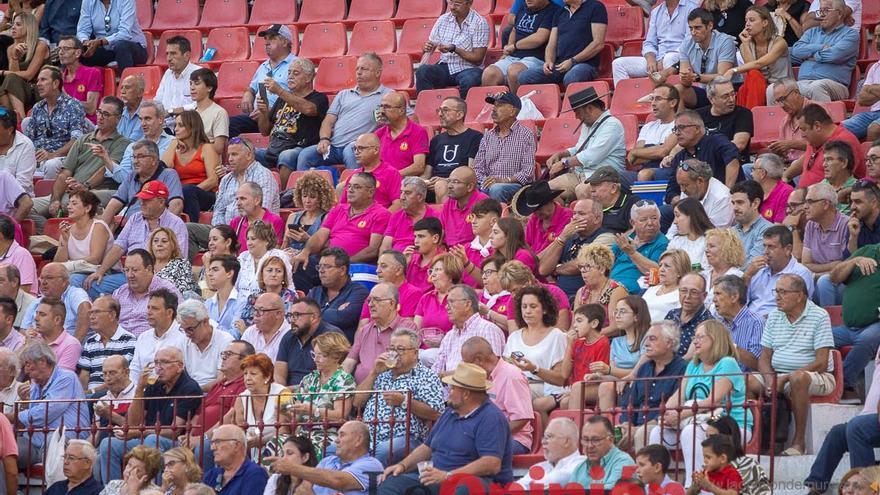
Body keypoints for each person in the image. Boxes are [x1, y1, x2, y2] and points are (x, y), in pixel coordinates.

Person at [379, 362, 513, 494]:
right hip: (439, 479)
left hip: (478, 483)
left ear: (466, 394)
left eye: (453, 388)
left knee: (467, 487)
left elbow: (491, 464)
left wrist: (448, 475)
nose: (448, 392)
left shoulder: (491, 418)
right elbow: (427, 447)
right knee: (390, 484)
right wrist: (402, 466)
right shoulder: (450, 412)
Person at [650, 320, 750, 485]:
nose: (695, 341)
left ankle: (696, 485)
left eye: (700, 337)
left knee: (691, 432)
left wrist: (680, 415)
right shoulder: (693, 366)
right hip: (698, 420)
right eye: (694, 337)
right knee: (657, 432)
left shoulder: (727, 363)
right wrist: (667, 413)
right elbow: (679, 396)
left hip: (731, 426)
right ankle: (659, 485)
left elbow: (712, 401)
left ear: (715, 339)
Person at [755, 274, 835, 456]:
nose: (777, 296)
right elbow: (764, 357)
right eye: (776, 291)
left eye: (783, 292)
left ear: (800, 296)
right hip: (779, 374)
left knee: (798, 378)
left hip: (817, 376)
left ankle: (799, 442)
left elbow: (822, 363)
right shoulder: (774, 316)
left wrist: (786, 377)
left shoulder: (819, 315)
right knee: (744, 381)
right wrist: (770, 380)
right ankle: (757, 440)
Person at [98, 346, 202, 483]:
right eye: (156, 363)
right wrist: (140, 388)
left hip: (175, 443)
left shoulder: (189, 388)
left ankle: (155, 491)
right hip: (147, 437)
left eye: (164, 362)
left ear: (179, 366)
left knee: (153, 440)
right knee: (108, 443)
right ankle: (113, 491)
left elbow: (174, 431)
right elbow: (133, 423)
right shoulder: (154, 384)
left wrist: (141, 433)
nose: (158, 367)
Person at [73, 180, 187, 300]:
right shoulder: (135, 218)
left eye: (147, 200)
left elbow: (179, 259)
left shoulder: (176, 224)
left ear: (161, 202)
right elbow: (118, 247)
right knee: (77, 281)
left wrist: (151, 278)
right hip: (128, 275)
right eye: (141, 199)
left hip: (157, 278)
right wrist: (100, 271)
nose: (142, 203)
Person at [33, 95, 131, 228]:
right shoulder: (83, 140)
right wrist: (55, 200)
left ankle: (55, 233)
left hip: (94, 192)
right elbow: (64, 173)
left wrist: (85, 186)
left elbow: (106, 170)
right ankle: (49, 234)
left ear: (118, 119)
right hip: (69, 192)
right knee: (25, 206)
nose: (100, 117)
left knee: (72, 205)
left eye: (106, 114)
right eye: (99, 112)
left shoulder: (123, 144)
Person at [354, 328, 444, 466]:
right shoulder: (382, 374)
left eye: (400, 349)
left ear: (415, 353)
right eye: (392, 349)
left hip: (405, 438)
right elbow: (357, 402)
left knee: (382, 451)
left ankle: (365, 484)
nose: (394, 354)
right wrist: (373, 373)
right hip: (369, 435)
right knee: (333, 449)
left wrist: (404, 402)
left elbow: (436, 413)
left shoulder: (426, 377)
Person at [291, 173, 390, 293]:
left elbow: (373, 249)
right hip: (327, 261)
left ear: (370, 192)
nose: (351, 190)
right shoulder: (338, 209)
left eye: (357, 187)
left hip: (353, 266)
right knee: (299, 264)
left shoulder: (381, 214)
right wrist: (305, 252)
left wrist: (343, 262)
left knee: (329, 270)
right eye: (349, 186)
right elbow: (320, 236)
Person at [297, 53, 391, 171]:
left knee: (351, 152)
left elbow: (410, 120)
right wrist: (324, 139)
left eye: (364, 69)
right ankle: (300, 189)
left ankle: (355, 187)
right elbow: (328, 121)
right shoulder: (344, 94)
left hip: (359, 147)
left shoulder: (388, 95)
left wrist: (389, 120)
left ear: (377, 72)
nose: (359, 72)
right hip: (333, 146)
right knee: (305, 155)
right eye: (357, 68)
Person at [603, 322, 687, 452]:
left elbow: (675, 408)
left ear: (669, 343)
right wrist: (627, 424)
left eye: (652, 339)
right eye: (646, 339)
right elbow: (630, 404)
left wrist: (637, 428)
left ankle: (641, 472)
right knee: (609, 435)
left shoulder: (682, 369)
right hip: (637, 425)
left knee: (641, 433)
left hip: (664, 426)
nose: (646, 343)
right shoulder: (644, 368)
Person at [805, 346, 880, 493]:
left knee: (857, 428)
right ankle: (816, 487)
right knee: (838, 433)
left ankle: (866, 488)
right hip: (869, 417)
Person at [11, 341, 90, 467]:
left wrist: (9, 417)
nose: (25, 370)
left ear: (42, 361)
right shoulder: (36, 383)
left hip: (67, 443)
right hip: (34, 441)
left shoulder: (66, 378)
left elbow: (44, 413)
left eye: (27, 364)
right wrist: (24, 403)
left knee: (53, 440)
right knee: (5, 448)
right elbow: (30, 419)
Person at [176, 340, 252, 470]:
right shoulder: (218, 385)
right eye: (223, 354)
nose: (223, 358)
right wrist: (190, 436)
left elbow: (230, 418)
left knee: (203, 448)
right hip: (198, 438)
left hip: (221, 439)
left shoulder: (243, 385)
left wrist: (201, 438)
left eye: (229, 354)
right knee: (160, 446)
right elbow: (199, 413)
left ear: (244, 361)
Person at [254, 57, 328, 189]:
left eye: (296, 73)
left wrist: (279, 91)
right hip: (274, 147)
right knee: (247, 152)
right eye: (289, 73)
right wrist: (263, 113)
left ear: (308, 78)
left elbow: (308, 109)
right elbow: (264, 131)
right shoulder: (282, 99)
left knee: (286, 155)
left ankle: (283, 196)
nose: (290, 77)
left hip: (299, 147)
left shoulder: (319, 98)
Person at [547, 88, 625, 202]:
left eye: (578, 112)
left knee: (582, 190)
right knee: (547, 190)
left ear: (589, 108)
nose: (576, 117)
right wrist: (561, 154)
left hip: (604, 176)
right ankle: (564, 218)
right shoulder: (587, 124)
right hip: (581, 174)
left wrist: (564, 163)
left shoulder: (613, 125)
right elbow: (580, 148)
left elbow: (592, 155)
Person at [462, 336, 534, 455]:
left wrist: (488, 435)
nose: (466, 367)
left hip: (514, 439)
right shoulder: (481, 375)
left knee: (469, 450)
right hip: (485, 435)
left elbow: (521, 419)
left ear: (479, 360)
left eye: (467, 363)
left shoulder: (512, 375)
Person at [286, 332, 355, 455]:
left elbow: (340, 416)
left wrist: (314, 411)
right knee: (275, 444)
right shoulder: (309, 379)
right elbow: (296, 416)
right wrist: (285, 410)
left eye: (321, 355)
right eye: (314, 354)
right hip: (303, 434)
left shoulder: (344, 380)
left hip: (328, 435)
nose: (316, 359)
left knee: (311, 450)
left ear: (336, 357)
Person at [267, 421, 382, 495]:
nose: (336, 440)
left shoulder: (371, 464)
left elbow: (338, 480)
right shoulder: (328, 461)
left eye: (342, 435)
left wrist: (291, 468)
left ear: (358, 440)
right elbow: (302, 490)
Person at [505, 285, 568, 416]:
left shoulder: (556, 336)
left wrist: (534, 368)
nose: (527, 311)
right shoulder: (514, 337)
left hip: (545, 387)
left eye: (533, 306)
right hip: (517, 384)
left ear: (544, 309)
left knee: (511, 392)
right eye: (524, 306)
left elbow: (560, 378)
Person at [828, 239, 880, 396]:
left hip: (875, 325)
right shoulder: (866, 250)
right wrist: (855, 261)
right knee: (820, 336)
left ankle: (842, 385)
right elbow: (834, 277)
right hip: (848, 327)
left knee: (867, 339)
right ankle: (822, 381)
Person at [516, 0, 608, 88]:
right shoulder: (560, 12)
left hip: (585, 64)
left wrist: (573, 61)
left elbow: (598, 44)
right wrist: (549, 61)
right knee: (524, 76)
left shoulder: (596, 7)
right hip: (560, 65)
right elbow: (552, 44)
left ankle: (575, 104)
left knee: (572, 77)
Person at [228, 24, 297, 138]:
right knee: (228, 124)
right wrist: (247, 94)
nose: (267, 43)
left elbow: (301, 98)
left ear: (285, 42)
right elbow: (252, 88)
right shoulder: (263, 66)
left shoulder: (296, 65)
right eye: (266, 39)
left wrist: (269, 111)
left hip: (282, 118)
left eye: (272, 38)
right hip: (257, 118)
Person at [537, 198, 613, 299]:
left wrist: (555, 270)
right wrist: (562, 238)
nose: (575, 218)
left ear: (597, 218)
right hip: (559, 296)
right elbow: (541, 267)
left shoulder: (606, 236)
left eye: (581, 214)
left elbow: (583, 263)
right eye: (574, 214)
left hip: (586, 297)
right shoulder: (568, 237)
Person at [611, 0, 698, 86]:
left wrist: (662, 59)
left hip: (680, 58)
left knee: (669, 58)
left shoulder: (692, 8)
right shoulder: (656, 11)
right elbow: (649, 42)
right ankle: (625, 99)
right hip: (657, 58)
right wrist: (651, 59)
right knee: (618, 64)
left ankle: (669, 97)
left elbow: (690, 41)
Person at [101, 139, 184, 230]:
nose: (135, 161)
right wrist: (100, 229)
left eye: (140, 157)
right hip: (129, 229)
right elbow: (113, 205)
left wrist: (160, 232)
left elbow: (176, 205)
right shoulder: (131, 176)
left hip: (156, 229)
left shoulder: (169, 175)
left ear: (153, 159)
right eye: (134, 157)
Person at [344, 283, 418, 383]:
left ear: (392, 304)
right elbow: (349, 362)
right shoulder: (365, 330)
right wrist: (334, 385)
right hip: (361, 390)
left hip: (390, 389)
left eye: (377, 300)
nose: (370, 304)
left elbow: (402, 363)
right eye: (369, 300)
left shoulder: (407, 327)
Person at [649, 111, 740, 190]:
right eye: (675, 129)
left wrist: (727, 193)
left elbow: (733, 161)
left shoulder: (716, 141)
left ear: (697, 129)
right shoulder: (680, 157)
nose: (677, 133)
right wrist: (680, 201)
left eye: (682, 127)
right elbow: (672, 191)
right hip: (693, 205)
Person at [415, 0, 489, 98]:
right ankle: (426, 107)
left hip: (469, 68)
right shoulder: (443, 19)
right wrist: (426, 47)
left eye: (457, 4)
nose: (452, 7)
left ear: (469, 3)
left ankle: (461, 109)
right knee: (423, 71)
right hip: (445, 66)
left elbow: (478, 58)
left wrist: (455, 49)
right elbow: (430, 45)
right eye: (450, 2)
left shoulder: (479, 22)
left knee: (470, 79)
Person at [481, 0, 560, 91]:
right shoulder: (523, 7)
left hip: (536, 58)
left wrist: (514, 46)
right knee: (489, 73)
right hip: (514, 56)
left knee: (514, 72)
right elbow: (515, 30)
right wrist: (508, 51)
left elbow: (540, 37)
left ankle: (518, 104)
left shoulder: (553, 11)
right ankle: (497, 105)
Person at [472, 92, 536, 203]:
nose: (494, 109)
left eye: (499, 105)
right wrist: (484, 182)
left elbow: (528, 172)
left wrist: (503, 180)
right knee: (465, 188)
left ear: (512, 111)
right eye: (494, 105)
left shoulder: (526, 135)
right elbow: (477, 167)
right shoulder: (488, 136)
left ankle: (496, 219)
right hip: (488, 185)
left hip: (514, 185)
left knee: (497, 189)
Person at [790, 0, 858, 102]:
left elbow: (833, 55)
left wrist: (810, 55)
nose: (821, 14)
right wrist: (820, 47)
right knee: (773, 90)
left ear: (839, 14)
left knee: (816, 87)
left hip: (834, 84)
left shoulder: (851, 35)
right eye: (820, 11)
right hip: (803, 82)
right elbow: (796, 51)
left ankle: (825, 118)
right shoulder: (811, 32)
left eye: (826, 10)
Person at [25, 66, 87, 180]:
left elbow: (77, 140)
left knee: (51, 164)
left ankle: (48, 197)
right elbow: (28, 139)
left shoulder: (73, 106)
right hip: (39, 157)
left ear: (55, 83)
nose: (38, 84)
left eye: (43, 80)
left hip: (62, 157)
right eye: (38, 80)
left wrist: (53, 155)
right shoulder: (37, 107)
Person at [726, 5, 793, 107]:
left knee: (752, 80)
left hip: (781, 84)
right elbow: (752, 69)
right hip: (758, 87)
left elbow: (759, 64)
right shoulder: (745, 45)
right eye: (746, 21)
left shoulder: (779, 42)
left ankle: (749, 115)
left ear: (765, 23)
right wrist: (746, 44)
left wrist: (733, 70)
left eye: (752, 20)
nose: (747, 24)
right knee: (751, 78)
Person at [432, 284, 506, 374]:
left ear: (467, 304)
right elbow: (436, 370)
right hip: (449, 387)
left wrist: (453, 375)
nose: (446, 307)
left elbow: (491, 371)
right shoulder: (449, 336)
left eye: (451, 302)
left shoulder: (488, 330)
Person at [224, 353, 287, 458]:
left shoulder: (282, 394)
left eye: (253, 374)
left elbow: (284, 431)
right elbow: (239, 431)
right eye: (245, 374)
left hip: (278, 449)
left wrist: (260, 441)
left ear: (267, 376)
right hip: (251, 452)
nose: (247, 378)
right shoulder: (241, 399)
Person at [100, 100, 175, 187]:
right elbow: (123, 178)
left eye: (147, 119)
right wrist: (106, 159)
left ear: (160, 120)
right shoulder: (132, 147)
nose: (142, 124)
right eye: (140, 119)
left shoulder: (172, 142)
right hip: (133, 192)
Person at [162, 110, 220, 222]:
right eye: (175, 125)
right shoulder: (175, 148)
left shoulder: (207, 148)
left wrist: (186, 192)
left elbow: (213, 180)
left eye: (180, 125)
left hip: (204, 193)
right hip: (180, 194)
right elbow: (166, 167)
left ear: (192, 127)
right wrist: (174, 143)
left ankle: (191, 228)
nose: (175, 129)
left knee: (188, 191)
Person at [672, 9, 737, 109]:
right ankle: (681, 122)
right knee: (677, 90)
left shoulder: (725, 41)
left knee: (721, 89)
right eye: (691, 28)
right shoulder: (687, 43)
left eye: (697, 28)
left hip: (727, 90)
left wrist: (697, 77)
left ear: (710, 26)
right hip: (706, 91)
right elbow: (686, 81)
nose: (693, 32)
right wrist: (686, 77)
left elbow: (723, 78)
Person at [745, 225, 814, 316]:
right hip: (748, 321)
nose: (765, 252)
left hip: (776, 325)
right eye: (764, 246)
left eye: (771, 247)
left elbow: (797, 309)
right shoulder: (757, 269)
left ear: (787, 249)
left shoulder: (800, 273)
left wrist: (760, 320)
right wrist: (747, 276)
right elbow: (739, 302)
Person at [113, 249, 184, 337]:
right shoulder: (120, 292)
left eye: (135, 270)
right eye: (127, 270)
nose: (129, 275)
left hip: (151, 346)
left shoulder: (167, 291)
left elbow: (181, 323)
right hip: (118, 346)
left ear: (149, 269)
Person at [274, 297, 343, 386]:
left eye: (297, 315)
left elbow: (330, 377)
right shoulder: (289, 336)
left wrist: (293, 391)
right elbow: (279, 375)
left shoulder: (331, 336)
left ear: (313, 317)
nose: (292, 320)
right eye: (290, 315)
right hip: (288, 394)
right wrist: (281, 393)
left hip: (318, 394)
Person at [425, 96, 482, 203]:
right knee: (408, 186)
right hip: (434, 183)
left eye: (445, 110)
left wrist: (446, 180)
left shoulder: (474, 137)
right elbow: (427, 173)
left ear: (459, 115)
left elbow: (471, 173)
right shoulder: (436, 140)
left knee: (441, 185)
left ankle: (445, 218)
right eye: (440, 110)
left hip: (457, 183)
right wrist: (421, 181)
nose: (440, 114)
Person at [305, 248, 368, 343]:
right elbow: (303, 318)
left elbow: (342, 318)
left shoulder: (359, 292)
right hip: (312, 348)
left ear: (342, 270)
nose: (321, 271)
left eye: (327, 266)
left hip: (340, 351)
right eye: (319, 267)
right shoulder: (314, 292)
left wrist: (313, 314)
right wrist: (334, 312)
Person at [803, 182, 850, 306]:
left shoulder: (846, 225)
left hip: (843, 283)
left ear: (825, 204)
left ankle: (829, 323)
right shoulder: (811, 225)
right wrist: (832, 265)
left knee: (824, 282)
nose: (805, 207)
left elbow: (845, 266)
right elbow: (806, 263)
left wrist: (816, 275)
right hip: (817, 279)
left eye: (810, 202)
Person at [77, 296, 135, 394]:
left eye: (97, 312)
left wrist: (91, 392)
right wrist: (82, 394)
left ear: (112, 315)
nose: (91, 317)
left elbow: (120, 378)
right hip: (89, 396)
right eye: (91, 312)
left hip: (115, 394)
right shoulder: (90, 341)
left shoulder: (129, 341)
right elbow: (84, 376)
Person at [609, 200, 669, 294]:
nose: (650, 223)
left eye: (654, 218)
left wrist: (632, 253)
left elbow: (656, 271)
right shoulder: (625, 239)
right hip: (611, 288)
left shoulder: (662, 243)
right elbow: (605, 264)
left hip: (634, 295)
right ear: (633, 223)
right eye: (644, 219)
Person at [20, 262, 90, 339]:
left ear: (64, 281)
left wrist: (75, 344)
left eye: (49, 278)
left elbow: (85, 313)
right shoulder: (36, 303)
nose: (43, 282)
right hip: (42, 346)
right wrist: (28, 333)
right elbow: (23, 330)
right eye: (42, 278)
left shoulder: (75, 294)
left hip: (69, 346)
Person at [75, 0, 148, 73]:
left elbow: (125, 33)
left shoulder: (126, 1)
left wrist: (101, 42)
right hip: (106, 49)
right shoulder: (88, 1)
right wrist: (86, 42)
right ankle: (83, 82)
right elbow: (82, 30)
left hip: (132, 47)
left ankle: (125, 82)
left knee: (122, 46)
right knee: (76, 51)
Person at [128, 288, 185, 381]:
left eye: (155, 308)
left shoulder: (184, 337)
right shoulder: (143, 337)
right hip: (142, 390)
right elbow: (134, 370)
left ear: (169, 313)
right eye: (148, 307)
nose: (149, 312)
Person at [0, 13, 49, 120]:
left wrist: (2, 72)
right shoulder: (10, 49)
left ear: (28, 27)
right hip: (22, 89)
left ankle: (20, 120)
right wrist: (14, 57)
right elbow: (15, 76)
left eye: (18, 24)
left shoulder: (41, 46)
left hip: (39, 88)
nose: (13, 27)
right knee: (8, 82)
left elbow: (29, 75)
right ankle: (10, 120)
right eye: (13, 24)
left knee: (9, 78)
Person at [705, 415, 771, 495]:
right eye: (706, 437)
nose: (707, 441)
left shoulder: (748, 465)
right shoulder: (710, 466)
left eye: (712, 437)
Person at [667, 160, 734, 238]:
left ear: (700, 181)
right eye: (680, 185)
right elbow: (676, 225)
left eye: (685, 185)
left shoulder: (722, 197)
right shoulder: (687, 190)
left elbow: (716, 235)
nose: (682, 190)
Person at [712, 275, 764, 373]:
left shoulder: (757, 322)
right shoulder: (716, 321)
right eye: (714, 294)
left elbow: (758, 363)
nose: (714, 299)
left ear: (734, 297)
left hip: (745, 380)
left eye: (718, 294)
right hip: (716, 377)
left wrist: (731, 346)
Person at [337, 133, 403, 210]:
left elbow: (398, 205)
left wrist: (381, 220)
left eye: (361, 148)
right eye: (355, 148)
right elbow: (343, 205)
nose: (356, 152)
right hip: (354, 219)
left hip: (379, 219)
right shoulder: (354, 175)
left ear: (375, 150)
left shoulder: (391, 173)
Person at [697, 77, 754, 165]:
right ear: (711, 99)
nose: (731, 99)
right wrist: (671, 156)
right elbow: (682, 142)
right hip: (701, 165)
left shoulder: (743, 114)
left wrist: (707, 152)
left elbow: (739, 145)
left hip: (731, 163)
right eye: (725, 96)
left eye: (733, 94)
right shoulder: (698, 115)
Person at [570, 416, 637, 490]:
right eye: (586, 440)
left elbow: (610, 492)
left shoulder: (624, 462)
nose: (589, 446)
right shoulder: (580, 468)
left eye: (596, 440)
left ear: (611, 440)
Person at [515, 417, 586, 487]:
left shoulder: (582, 464)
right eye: (544, 437)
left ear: (566, 441)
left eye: (549, 437)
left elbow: (559, 479)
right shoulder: (539, 467)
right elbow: (517, 487)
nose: (543, 442)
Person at [180, 299, 234, 390]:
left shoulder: (226, 341)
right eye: (183, 329)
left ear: (205, 321)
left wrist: (194, 392)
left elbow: (222, 379)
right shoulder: (183, 340)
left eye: (190, 329)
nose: (187, 334)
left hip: (215, 394)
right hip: (189, 394)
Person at [355, 250, 421, 324]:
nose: (377, 270)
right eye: (378, 266)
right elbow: (362, 327)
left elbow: (407, 328)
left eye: (383, 266)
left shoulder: (413, 293)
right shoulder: (373, 293)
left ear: (399, 270)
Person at [201, 425, 269, 495]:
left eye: (218, 442)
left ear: (236, 445)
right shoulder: (212, 475)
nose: (212, 448)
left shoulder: (255, 474)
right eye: (212, 443)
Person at [374, 92, 429, 178]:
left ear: (402, 110)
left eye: (386, 107)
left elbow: (419, 166)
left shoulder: (417, 132)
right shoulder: (378, 134)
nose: (381, 111)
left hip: (404, 183)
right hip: (380, 181)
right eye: (380, 106)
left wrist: (391, 176)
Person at [630, 84, 680, 177]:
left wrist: (636, 152)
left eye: (658, 99)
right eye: (652, 99)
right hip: (642, 171)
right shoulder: (647, 127)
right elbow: (633, 160)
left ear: (672, 103)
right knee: (610, 177)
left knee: (644, 175)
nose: (653, 103)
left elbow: (663, 152)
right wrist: (656, 151)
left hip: (667, 170)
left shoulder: (679, 124)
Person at [572, 243, 627, 327]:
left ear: (601, 269)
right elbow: (574, 325)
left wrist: (590, 335)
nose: (582, 271)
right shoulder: (581, 292)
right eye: (581, 267)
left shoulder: (616, 291)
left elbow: (615, 327)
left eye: (587, 267)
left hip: (608, 338)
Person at [842, 25, 880, 140]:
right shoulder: (875, 67)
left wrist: (870, 88)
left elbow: (867, 92)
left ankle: (870, 158)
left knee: (874, 129)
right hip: (873, 113)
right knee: (837, 129)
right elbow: (862, 100)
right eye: (875, 37)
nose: (877, 40)